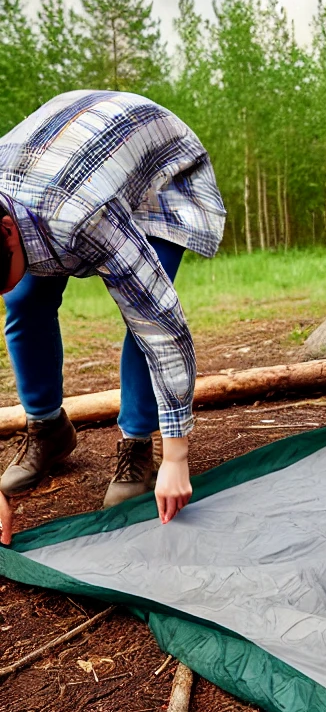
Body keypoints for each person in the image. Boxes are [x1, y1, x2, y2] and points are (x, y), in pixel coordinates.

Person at [0, 90, 225, 530]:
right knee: (23, 298)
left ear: (6, 230)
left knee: (139, 315)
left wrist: (176, 456)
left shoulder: (83, 216)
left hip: (158, 175)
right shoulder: (8, 226)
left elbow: (160, 326)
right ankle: (48, 429)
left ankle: (138, 442)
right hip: (56, 164)